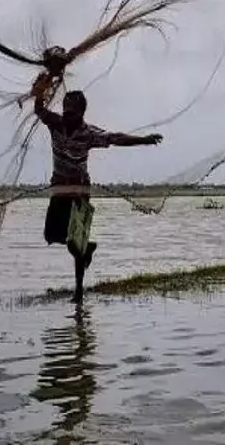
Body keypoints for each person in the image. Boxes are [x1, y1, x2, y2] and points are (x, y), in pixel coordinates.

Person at [31, 71, 163, 303]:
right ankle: (86, 248)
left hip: (80, 191)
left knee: (76, 240)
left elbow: (115, 138)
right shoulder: (56, 124)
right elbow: (39, 110)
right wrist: (41, 88)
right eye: (65, 111)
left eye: (72, 112)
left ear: (81, 112)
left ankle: (79, 292)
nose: (67, 116)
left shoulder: (88, 133)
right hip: (60, 189)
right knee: (52, 235)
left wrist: (143, 140)